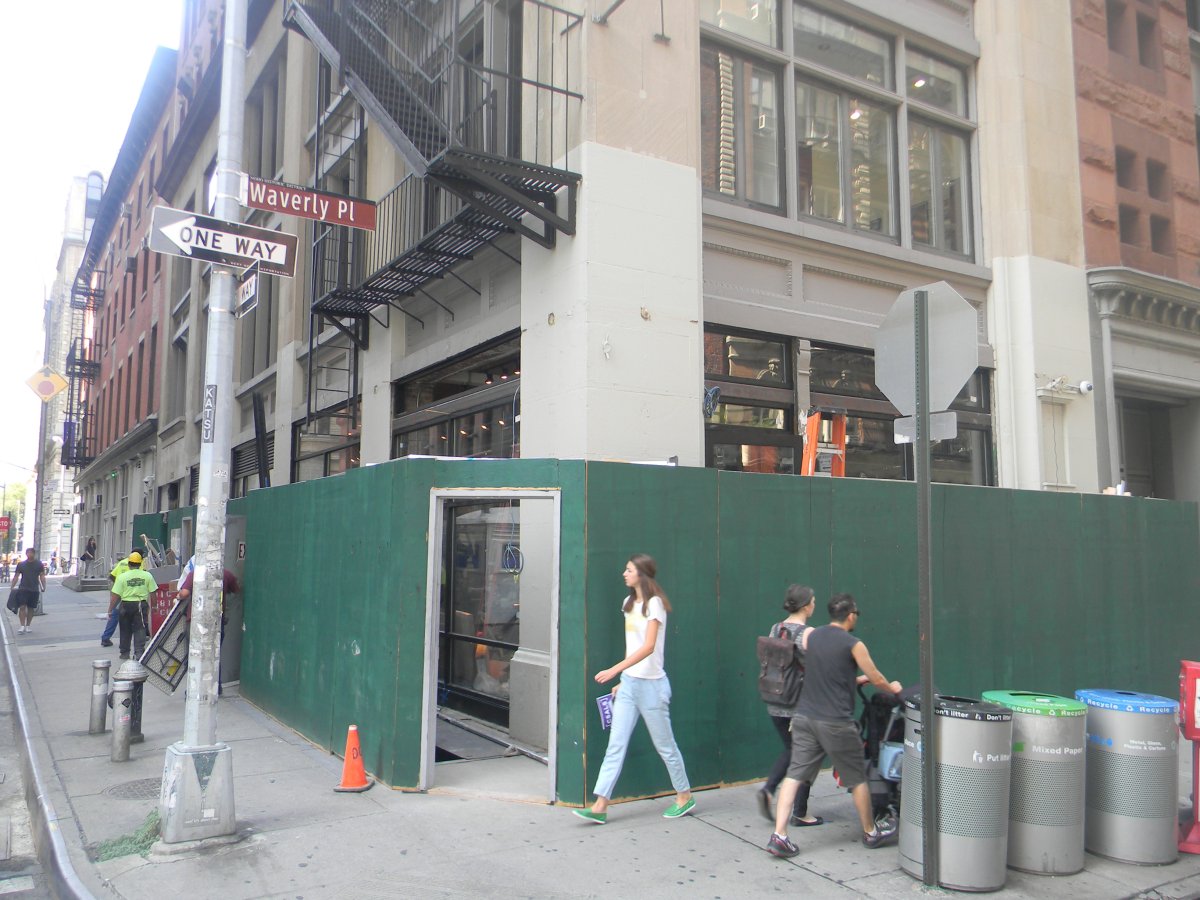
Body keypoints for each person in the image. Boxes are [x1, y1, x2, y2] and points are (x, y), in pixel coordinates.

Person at [766, 593, 902, 859]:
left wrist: (854, 680)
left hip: (805, 717)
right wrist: (893, 688)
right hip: (836, 721)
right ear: (851, 615)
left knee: (794, 775)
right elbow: (876, 676)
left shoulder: (812, 636)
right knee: (857, 778)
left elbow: (824, 671)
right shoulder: (854, 643)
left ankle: (779, 836)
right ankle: (871, 831)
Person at [573, 553, 694, 824]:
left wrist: (615, 670)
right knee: (615, 745)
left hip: (653, 687)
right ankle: (600, 805)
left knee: (665, 745)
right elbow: (633, 647)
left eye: (629, 570)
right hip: (629, 685)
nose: (624, 574)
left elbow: (649, 646)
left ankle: (684, 795)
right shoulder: (628, 603)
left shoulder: (655, 604)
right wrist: (623, 679)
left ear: (641, 573)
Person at [758, 584, 822, 827]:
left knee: (793, 750)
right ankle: (799, 811)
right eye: (813, 601)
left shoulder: (776, 628)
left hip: (775, 699)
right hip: (799, 703)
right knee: (807, 753)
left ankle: (771, 789)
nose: (814, 605)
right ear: (806, 606)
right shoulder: (808, 633)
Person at [108, 551, 158, 660]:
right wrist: (154, 606)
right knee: (140, 628)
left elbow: (115, 596)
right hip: (140, 605)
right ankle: (139, 652)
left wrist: (110, 610)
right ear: (140, 564)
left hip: (125, 605)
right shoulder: (147, 575)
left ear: (129, 564)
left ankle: (124, 652)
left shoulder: (122, 577)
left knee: (125, 629)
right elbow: (153, 592)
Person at [100, 547, 141, 648]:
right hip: (130, 594)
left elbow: (112, 576)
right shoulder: (139, 564)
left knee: (114, 614)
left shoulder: (122, 562)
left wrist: (117, 585)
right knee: (135, 618)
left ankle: (106, 638)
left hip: (118, 591)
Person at [11, 547, 46, 634]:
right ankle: (22, 626)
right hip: (23, 588)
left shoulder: (39, 564)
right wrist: (12, 586)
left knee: (31, 608)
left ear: (34, 554)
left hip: (34, 589)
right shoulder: (21, 564)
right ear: (26, 554)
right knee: (22, 607)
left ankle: (28, 626)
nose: (29, 554)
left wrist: (43, 586)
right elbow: (16, 576)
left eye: (31, 553)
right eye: (28, 553)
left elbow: (42, 576)